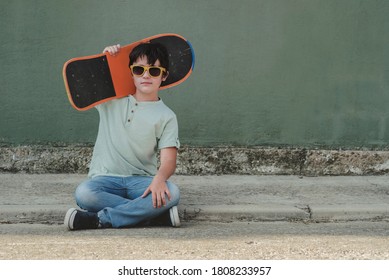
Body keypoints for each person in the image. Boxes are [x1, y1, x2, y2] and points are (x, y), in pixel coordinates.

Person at [64, 41, 181, 230]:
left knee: (172, 192)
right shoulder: (111, 100)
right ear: (131, 73)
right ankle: (150, 217)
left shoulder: (167, 116)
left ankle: (100, 219)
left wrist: (159, 180)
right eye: (138, 70)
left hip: (141, 182)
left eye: (154, 71)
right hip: (105, 179)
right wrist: (105, 60)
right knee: (84, 193)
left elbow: (169, 161)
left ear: (164, 76)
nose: (145, 75)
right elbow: (93, 81)